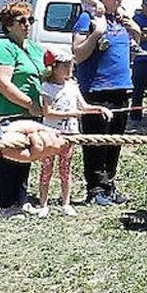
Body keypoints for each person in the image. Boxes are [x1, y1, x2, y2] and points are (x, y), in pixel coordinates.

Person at [72, 0, 142, 205]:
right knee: (96, 142)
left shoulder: (120, 19)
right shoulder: (87, 19)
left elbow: (134, 45)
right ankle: (95, 190)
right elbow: (78, 53)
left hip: (122, 89)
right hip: (96, 90)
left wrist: (135, 29)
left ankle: (109, 185)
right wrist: (96, 34)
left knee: (115, 141)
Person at [0, 2, 48, 216]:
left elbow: (46, 74)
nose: (27, 25)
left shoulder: (34, 48)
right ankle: (5, 203)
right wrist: (29, 104)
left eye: (30, 20)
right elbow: (2, 82)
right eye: (22, 21)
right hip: (6, 112)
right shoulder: (3, 47)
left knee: (26, 154)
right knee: (8, 157)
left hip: (31, 115)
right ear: (9, 25)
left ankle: (20, 199)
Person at [37, 51, 112, 217]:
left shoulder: (72, 86)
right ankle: (43, 204)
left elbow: (83, 107)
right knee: (47, 168)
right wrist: (71, 113)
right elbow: (47, 112)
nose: (70, 68)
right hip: (51, 134)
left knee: (66, 169)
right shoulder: (46, 87)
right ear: (54, 68)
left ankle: (66, 203)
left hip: (70, 134)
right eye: (65, 65)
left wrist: (99, 109)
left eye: (70, 65)